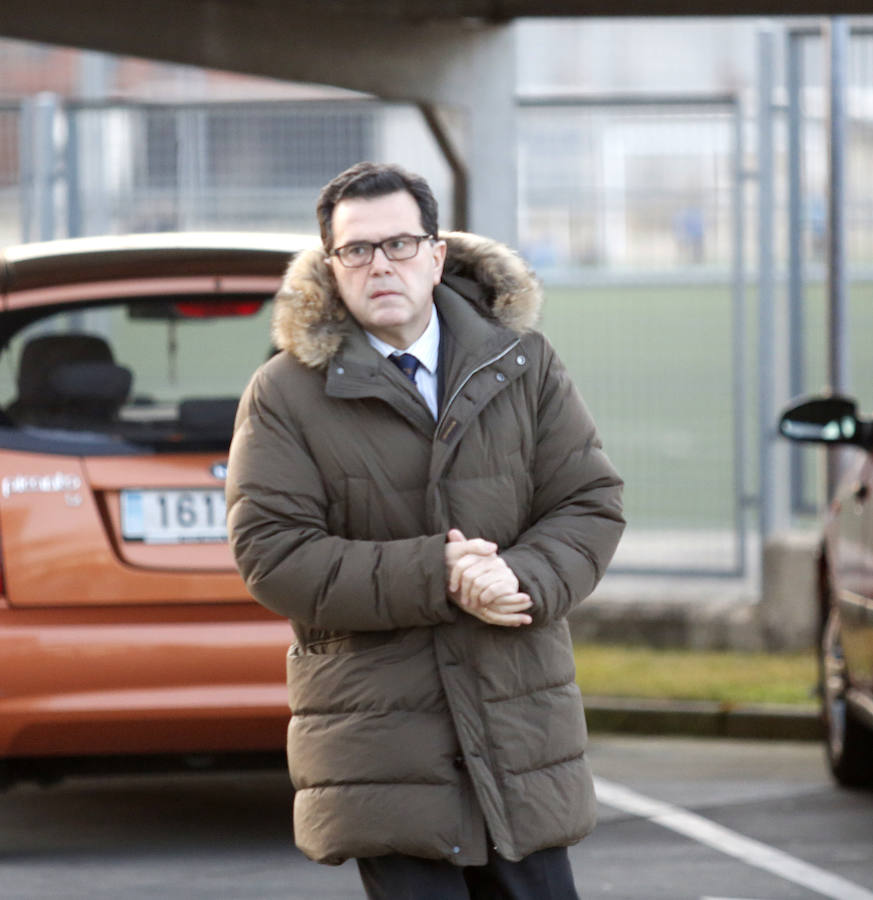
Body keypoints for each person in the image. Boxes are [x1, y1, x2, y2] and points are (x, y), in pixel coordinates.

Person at [226, 161, 624, 899]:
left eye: (400, 244)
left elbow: (588, 499)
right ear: (331, 265)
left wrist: (520, 576)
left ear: (436, 254)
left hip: (518, 726)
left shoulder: (522, 363)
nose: (380, 264)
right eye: (357, 250)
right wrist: (439, 576)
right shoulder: (284, 394)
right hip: (382, 742)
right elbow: (272, 554)